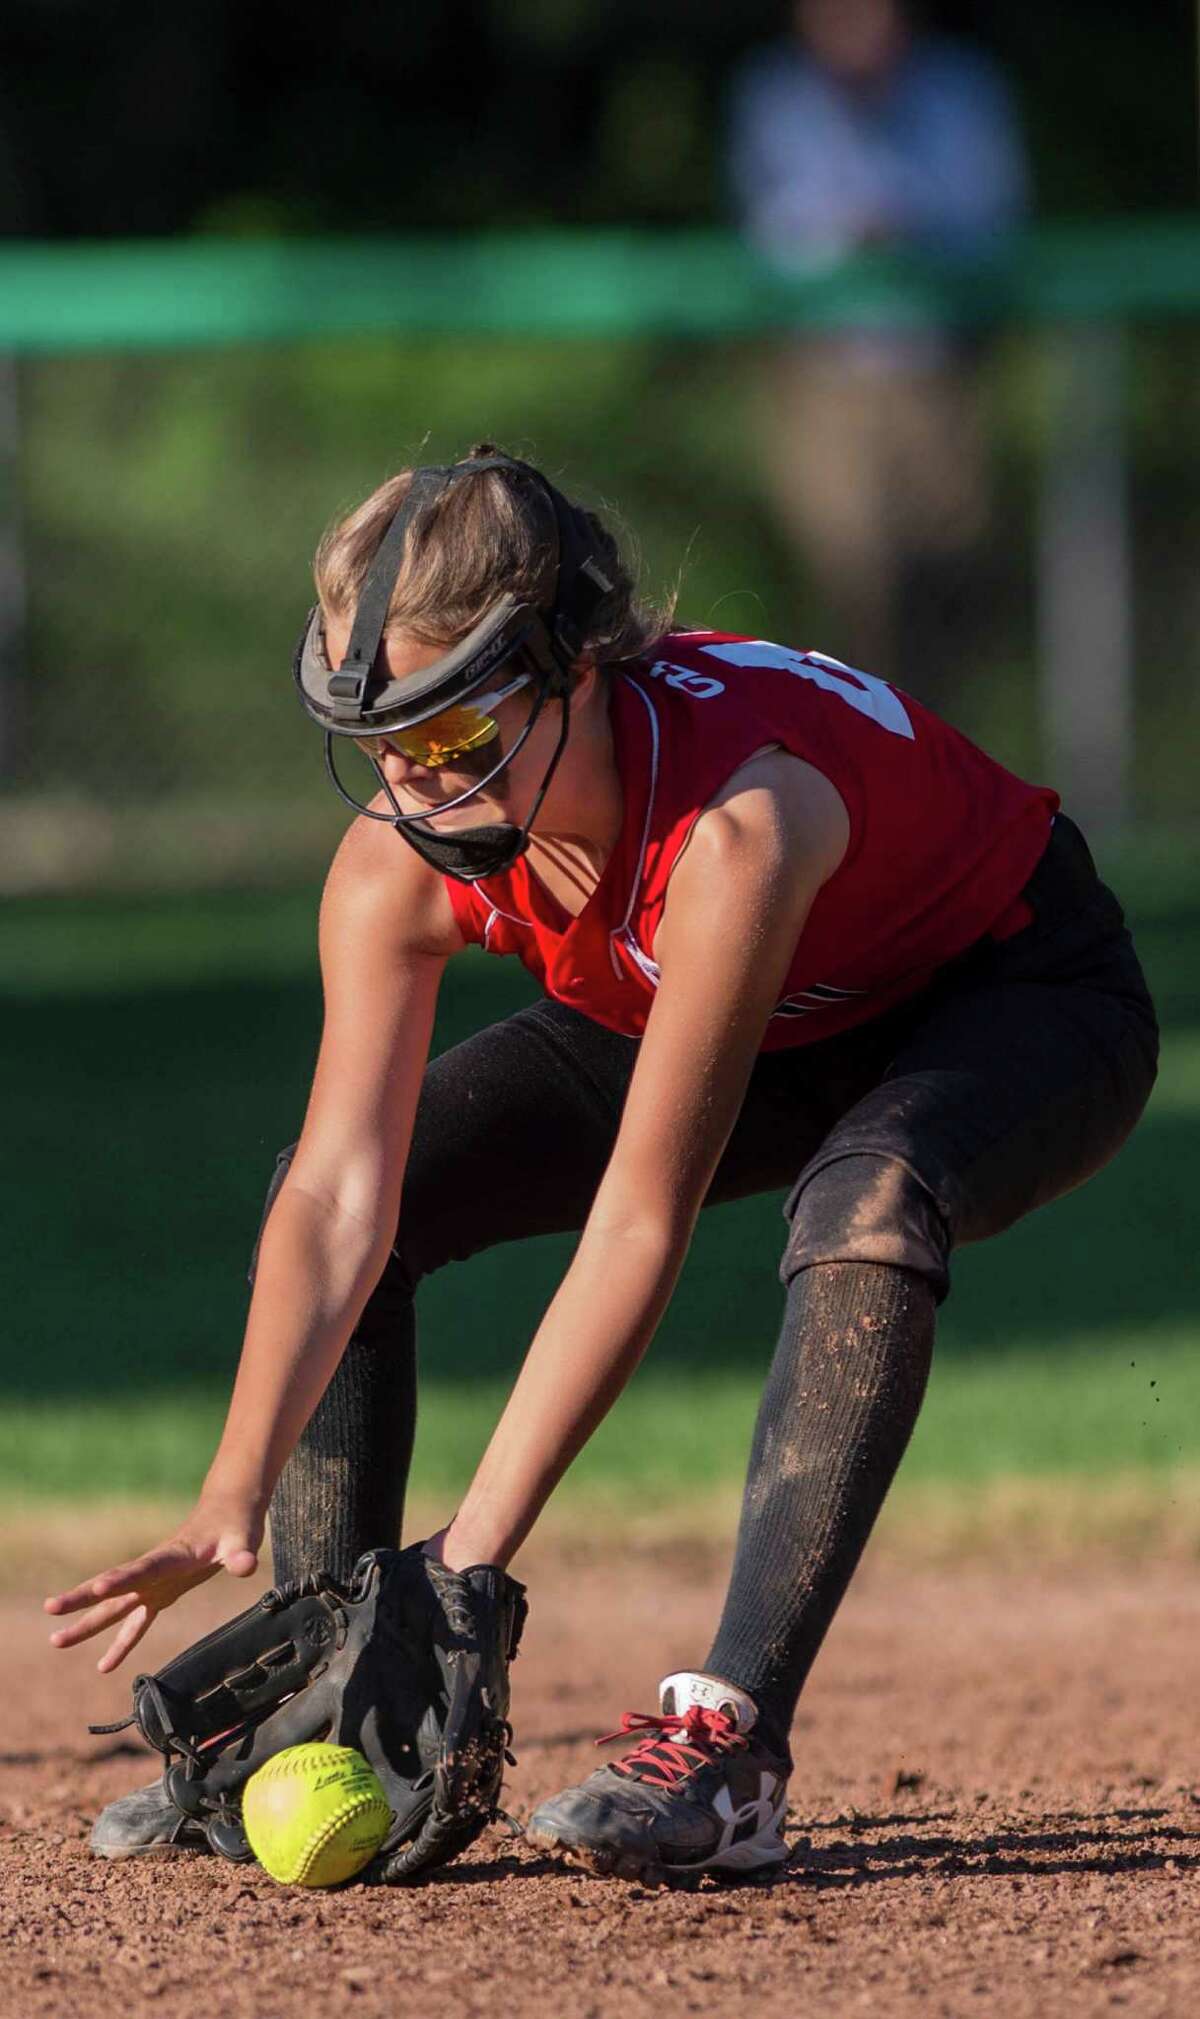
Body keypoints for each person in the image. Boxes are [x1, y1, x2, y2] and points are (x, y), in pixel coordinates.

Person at [46, 448, 1156, 1883]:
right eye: (380, 740)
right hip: (718, 1000)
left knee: (870, 1198)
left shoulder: (736, 823)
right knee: (395, 1190)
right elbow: (334, 1197)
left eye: (457, 735)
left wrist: (470, 1566)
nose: (417, 783)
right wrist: (229, 1488)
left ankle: (733, 1749)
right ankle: (326, 1692)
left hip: (1011, 992)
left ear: (574, 664)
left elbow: (638, 1223)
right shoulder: (401, 857)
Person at [727, 0, 1030, 713]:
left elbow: (994, 223)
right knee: (849, 594)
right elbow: (769, 239)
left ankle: (948, 774)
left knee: (949, 590)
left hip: (940, 378)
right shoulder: (773, 94)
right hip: (823, 378)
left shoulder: (962, 89)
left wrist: (910, 230)